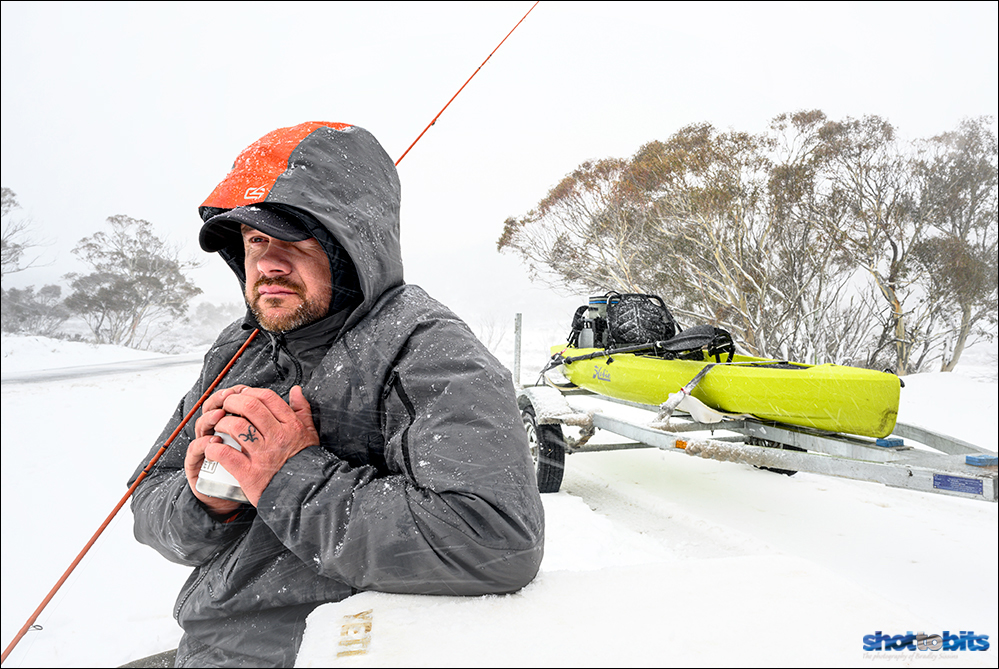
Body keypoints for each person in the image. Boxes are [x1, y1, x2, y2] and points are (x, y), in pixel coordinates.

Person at [129, 122, 545, 668]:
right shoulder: (241, 346)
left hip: (329, 651)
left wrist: (289, 473)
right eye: (255, 241)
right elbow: (148, 503)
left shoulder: (429, 352)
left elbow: (495, 540)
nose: (268, 263)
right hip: (212, 644)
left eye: (293, 239)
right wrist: (207, 499)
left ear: (352, 241)